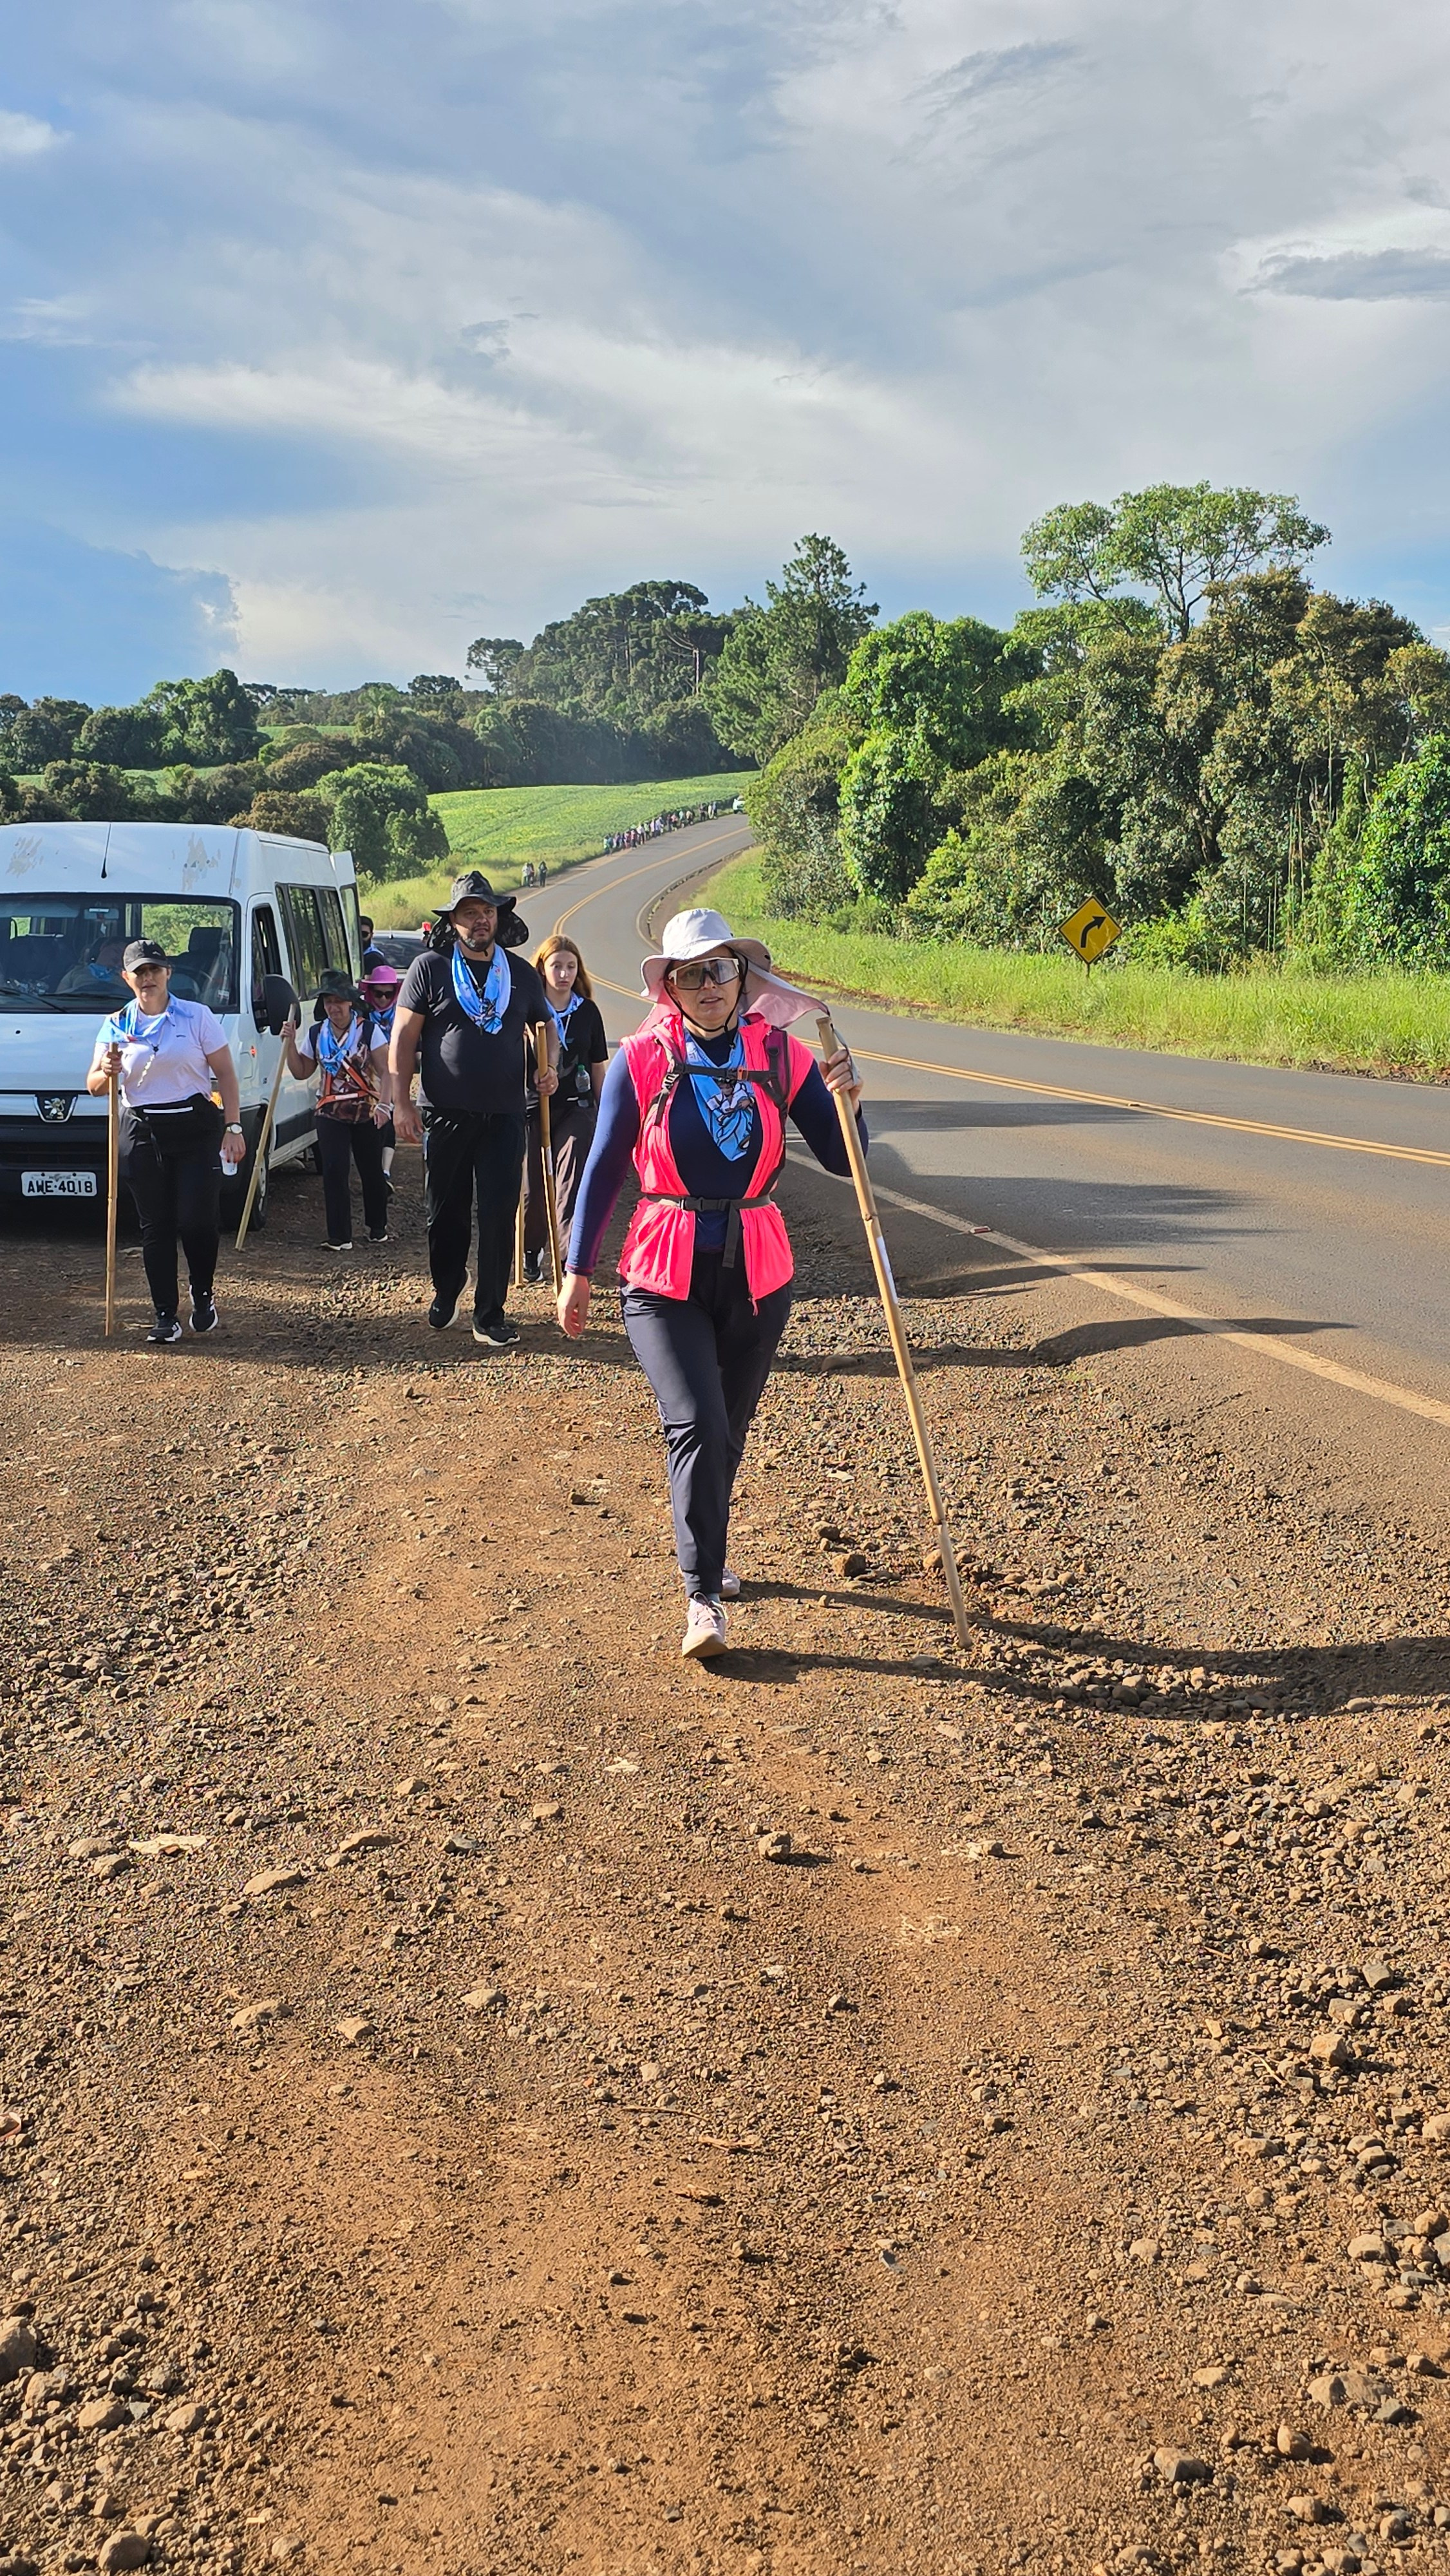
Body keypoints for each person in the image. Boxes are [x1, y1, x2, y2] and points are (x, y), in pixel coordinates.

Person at [557, 907, 865, 1660]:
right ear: (669, 985)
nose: (707, 984)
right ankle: (702, 1597)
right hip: (661, 1269)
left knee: (726, 1429)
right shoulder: (640, 1057)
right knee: (694, 1420)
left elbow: (843, 1158)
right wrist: (576, 1270)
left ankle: (710, 1544)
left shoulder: (781, 1054)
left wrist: (851, 1102)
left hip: (757, 1268)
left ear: (741, 976)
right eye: (690, 973)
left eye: (718, 969)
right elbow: (602, 1168)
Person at [390, 871, 554, 1350]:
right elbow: (403, 1038)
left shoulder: (521, 974)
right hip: (445, 1113)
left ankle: (490, 1313)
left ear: (498, 918)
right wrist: (401, 1102)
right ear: (454, 922)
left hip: (506, 1114)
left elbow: (546, 1027)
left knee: (500, 1214)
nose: (481, 920)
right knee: (445, 1214)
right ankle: (448, 1286)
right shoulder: (430, 968)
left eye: (487, 912)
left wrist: (548, 1069)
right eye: (470, 913)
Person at [86, 936, 247, 1345]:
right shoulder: (116, 1024)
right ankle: (165, 1314)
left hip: (194, 1127)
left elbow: (226, 1075)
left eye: (154, 970)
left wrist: (233, 1127)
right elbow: (93, 1086)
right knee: (155, 1226)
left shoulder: (196, 1016)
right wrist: (107, 1070)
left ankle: (202, 1291)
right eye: (139, 972)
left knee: (197, 1220)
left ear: (168, 973)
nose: (148, 978)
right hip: (142, 1130)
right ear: (126, 979)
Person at [284, 969, 392, 1251]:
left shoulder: (369, 1031)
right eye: (328, 1001)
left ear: (350, 1002)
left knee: (371, 1171)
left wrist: (385, 1105)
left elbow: (387, 1072)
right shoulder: (316, 1033)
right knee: (334, 1170)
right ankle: (340, 1236)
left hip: (367, 1110)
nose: (333, 1007)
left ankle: (377, 1227)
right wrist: (289, 1044)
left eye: (338, 1001)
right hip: (330, 1112)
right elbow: (301, 1071)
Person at [522, 935, 608, 1284]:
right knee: (533, 1190)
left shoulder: (587, 1012)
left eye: (571, 967)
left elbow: (599, 1066)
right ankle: (531, 1249)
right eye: (556, 966)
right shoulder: (526, 1010)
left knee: (570, 1182)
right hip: (532, 1108)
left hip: (577, 1107)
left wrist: (606, 1114)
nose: (564, 974)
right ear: (542, 969)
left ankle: (569, 1259)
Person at [359, 962, 402, 1186]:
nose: (384, 999)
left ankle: (384, 1171)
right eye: (379, 994)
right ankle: (374, 1170)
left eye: (389, 994)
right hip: (365, 1075)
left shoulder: (403, 1014)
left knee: (388, 1116)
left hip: (392, 1073)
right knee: (370, 1120)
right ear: (370, 992)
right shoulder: (362, 1015)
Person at [59, 934, 127, 995]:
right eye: (116, 951)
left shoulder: (126, 978)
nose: (118, 957)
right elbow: (58, 998)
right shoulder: (75, 973)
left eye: (123, 956)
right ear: (104, 946)